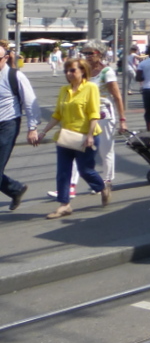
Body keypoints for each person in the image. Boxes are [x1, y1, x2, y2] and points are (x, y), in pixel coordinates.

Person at [33, 56, 108, 218]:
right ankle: (64, 205)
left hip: (86, 137)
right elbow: (57, 114)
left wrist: (89, 135)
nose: (69, 73)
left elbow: (94, 114)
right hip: (66, 137)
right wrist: (43, 131)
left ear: (82, 71)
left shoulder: (91, 88)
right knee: (63, 172)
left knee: (85, 170)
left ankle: (102, 188)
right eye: (67, 71)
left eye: (72, 70)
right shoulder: (64, 90)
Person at [82, 40, 126, 197]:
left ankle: (107, 180)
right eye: (84, 53)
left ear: (99, 54)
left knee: (105, 149)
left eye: (89, 53)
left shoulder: (107, 72)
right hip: (87, 116)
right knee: (83, 149)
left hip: (104, 115)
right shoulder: (84, 71)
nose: (86, 56)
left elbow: (117, 96)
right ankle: (87, 182)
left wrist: (122, 119)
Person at [0, 40, 39, 211]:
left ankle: (15, 190)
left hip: (8, 124)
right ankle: (16, 189)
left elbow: (30, 102)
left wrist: (32, 127)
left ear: (6, 58)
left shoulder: (15, 76)